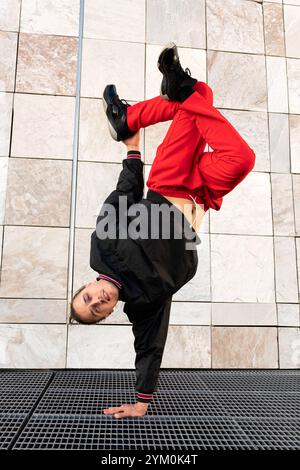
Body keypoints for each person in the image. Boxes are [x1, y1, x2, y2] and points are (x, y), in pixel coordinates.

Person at [69, 43, 256, 419]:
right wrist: (141, 402)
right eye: (96, 312)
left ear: (88, 284)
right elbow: (150, 346)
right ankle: (134, 113)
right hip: (198, 199)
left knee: (201, 104)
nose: (96, 302)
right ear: (107, 316)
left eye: (87, 298)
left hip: (168, 184)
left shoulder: (101, 249)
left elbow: (124, 196)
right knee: (204, 107)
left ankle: (132, 119)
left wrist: (132, 150)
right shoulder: (143, 303)